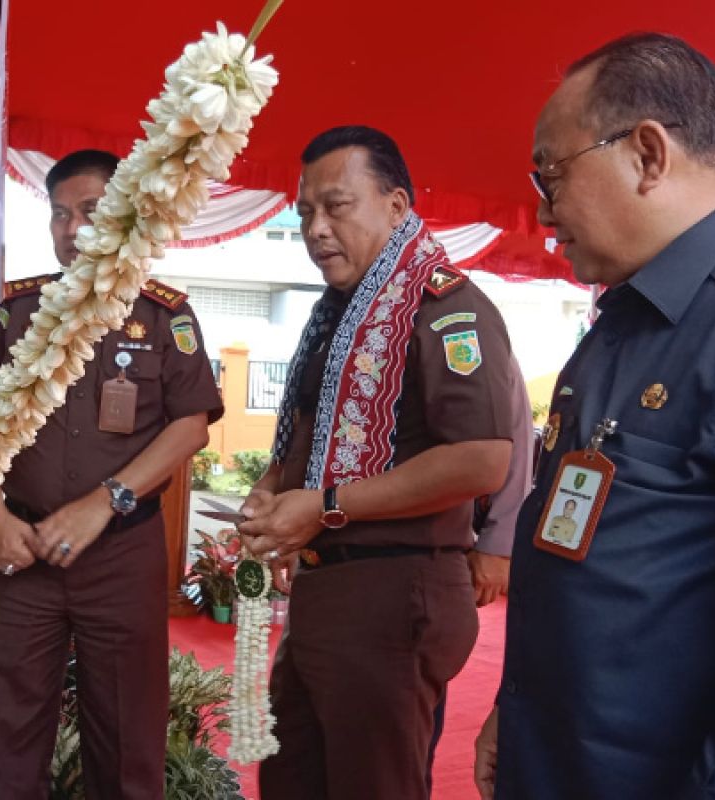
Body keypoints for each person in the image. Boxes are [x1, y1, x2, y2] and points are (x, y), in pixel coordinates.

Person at [475, 33, 715, 800]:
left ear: (647, 155)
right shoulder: (618, 325)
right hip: (556, 756)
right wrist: (516, 703)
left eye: (552, 175)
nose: (544, 212)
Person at [238, 125, 518, 800]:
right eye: (305, 212)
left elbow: (483, 460)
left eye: (336, 206)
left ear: (396, 208)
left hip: (393, 594)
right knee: (292, 781)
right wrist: (269, 492)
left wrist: (328, 504)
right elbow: (306, 438)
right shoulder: (338, 316)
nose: (315, 229)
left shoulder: (448, 308)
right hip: (326, 593)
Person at [0, 149, 223, 800]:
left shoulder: (163, 316)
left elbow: (191, 424)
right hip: (25, 554)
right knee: (12, 738)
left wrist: (107, 501)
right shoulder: (19, 316)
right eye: (59, 214)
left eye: (92, 212)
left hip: (122, 556)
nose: (72, 229)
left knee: (128, 740)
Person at [426, 360, 534, 795]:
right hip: (343, 557)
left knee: (406, 720)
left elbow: (516, 435)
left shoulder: (456, 310)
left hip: (434, 551)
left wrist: (498, 543)